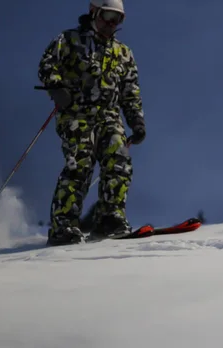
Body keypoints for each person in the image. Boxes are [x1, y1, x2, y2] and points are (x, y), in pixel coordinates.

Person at [38, 0, 146, 246]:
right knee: (81, 163)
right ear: (93, 12)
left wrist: (136, 121)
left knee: (119, 159)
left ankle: (109, 218)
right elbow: (47, 65)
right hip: (76, 113)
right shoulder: (69, 40)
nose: (110, 23)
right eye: (107, 16)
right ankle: (63, 226)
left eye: (116, 19)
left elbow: (130, 91)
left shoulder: (123, 52)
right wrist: (57, 87)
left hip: (109, 115)